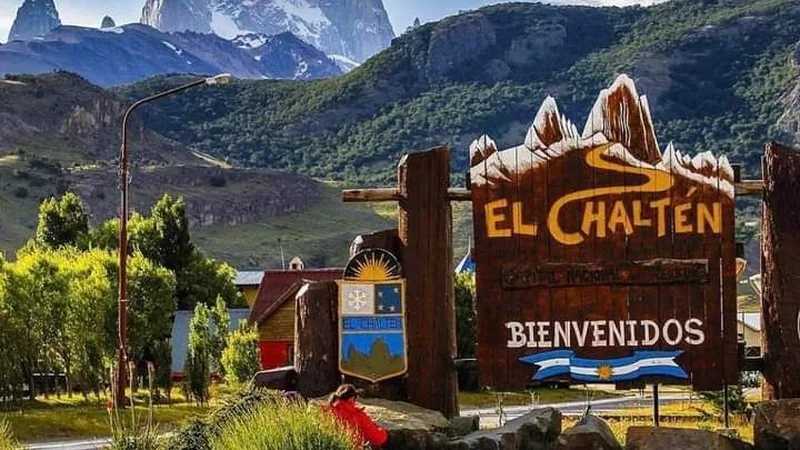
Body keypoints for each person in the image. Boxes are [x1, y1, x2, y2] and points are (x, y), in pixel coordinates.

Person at [328, 384, 389, 448]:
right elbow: (378, 438)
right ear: (351, 399)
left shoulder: (327, 411)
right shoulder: (357, 415)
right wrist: (382, 430)